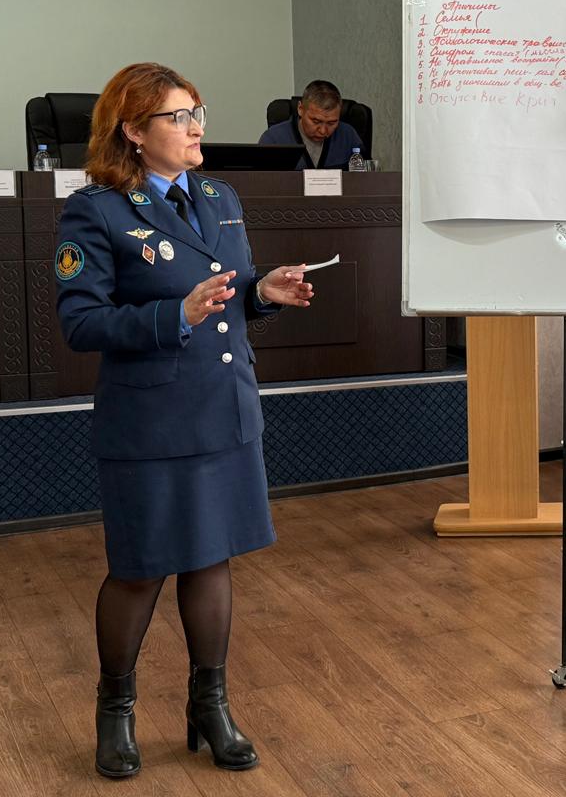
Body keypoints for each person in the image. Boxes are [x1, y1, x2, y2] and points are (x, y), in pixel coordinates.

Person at [56, 62, 315, 779]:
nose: (197, 127)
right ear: (134, 131)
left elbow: (227, 294)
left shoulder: (218, 196)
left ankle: (210, 706)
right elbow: (81, 323)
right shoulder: (97, 210)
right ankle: (116, 711)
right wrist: (175, 313)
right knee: (139, 570)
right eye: (179, 117)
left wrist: (263, 292)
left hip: (222, 406)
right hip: (150, 420)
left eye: (198, 111)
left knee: (210, 557)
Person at [258, 78, 364, 170]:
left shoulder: (348, 136)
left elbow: (365, 177)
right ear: (300, 109)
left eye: (331, 123)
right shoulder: (274, 139)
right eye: (316, 121)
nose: (323, 131)